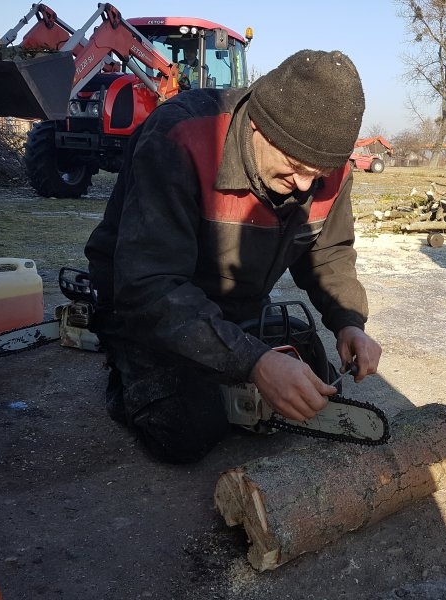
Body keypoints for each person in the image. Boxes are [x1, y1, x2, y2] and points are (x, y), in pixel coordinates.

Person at [84, 49, 382, 463]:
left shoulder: (327, 168)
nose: (303, 185)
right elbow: (148, 284)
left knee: (315, 379)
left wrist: (349, 322)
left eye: (317, 174)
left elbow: (327, 251)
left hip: (236, 302)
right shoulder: (182, 136)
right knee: (187, 429)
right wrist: (252, 360)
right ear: (259, 124)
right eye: (294, 165)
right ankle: (126, 365)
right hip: (145, 301)